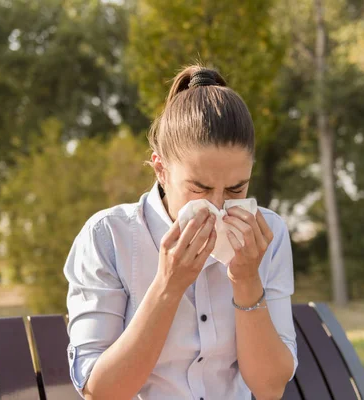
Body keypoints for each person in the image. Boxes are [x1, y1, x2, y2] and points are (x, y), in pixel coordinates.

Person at [64, 65, 298, 400]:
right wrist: (168, 286)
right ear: (161, 170)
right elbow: (101, 392)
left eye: (236, 189)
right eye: (199, 188)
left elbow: (269, 387)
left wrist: (247, 280)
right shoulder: (108, 237)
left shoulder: (268, 233)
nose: (218, 205)